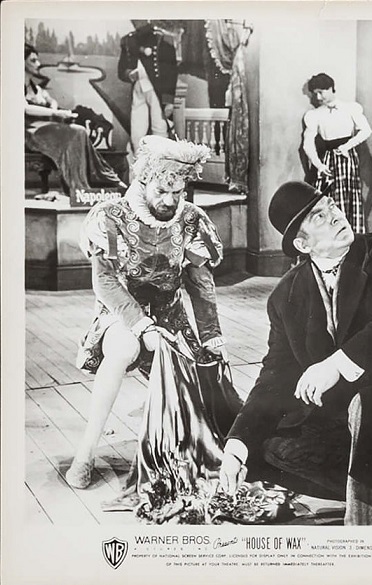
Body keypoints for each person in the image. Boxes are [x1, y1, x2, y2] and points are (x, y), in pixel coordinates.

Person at [218, 181, 372, 525]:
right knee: (263, 448)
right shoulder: (285, 295)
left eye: (332, 206)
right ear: (302, 244)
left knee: (368, 408)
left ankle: (370, 522)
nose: (336, 216)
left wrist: (337, 363)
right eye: (319, 217)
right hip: (346, 421)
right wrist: (237, 445)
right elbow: (274, 375)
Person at [66, 136, 226, 489]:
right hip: (121, 313)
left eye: (177, 192)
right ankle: (85, 452)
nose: (169, 200)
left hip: (171, 316)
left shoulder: (192, 220)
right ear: (143, 182)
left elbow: (200, 283)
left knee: (203, 390)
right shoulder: (111, 217)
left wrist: (212, 335)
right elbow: (105, 282)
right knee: (125, 348)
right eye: (161, 191)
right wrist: (142, 326)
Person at [24, 43, 126, 200]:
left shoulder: (37, 89)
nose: (38, 64)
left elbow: (51, 101)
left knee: (80, 131)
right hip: (31, 133)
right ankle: (85, 184)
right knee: (76, 132)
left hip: (47, 129)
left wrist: (54, 106)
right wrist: (55, 112)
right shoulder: (15, 87)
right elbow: (25, 109)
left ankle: (91, 182)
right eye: (33, 60)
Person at [302, 73, 372, 233]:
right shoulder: (314, 115)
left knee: (350, 196)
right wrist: (319, 165)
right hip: (328, 159)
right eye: (315, 94)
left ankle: (352, 237)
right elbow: (308, 143)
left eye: (321, 92)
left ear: (331, 88)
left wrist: (348, 146)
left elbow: (366, 130)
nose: (318, 97)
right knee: (329, 200)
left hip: (347, 158)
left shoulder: (351, 108)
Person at [118, 22, 178, 153]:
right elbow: (121, 70)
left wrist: (168, 100)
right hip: (138, 88)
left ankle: (159, 164)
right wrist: (129, 74)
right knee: (137, 134)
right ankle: (140, 164)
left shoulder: (162, 39)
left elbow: (171, 72)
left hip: (157, 90)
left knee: (160, 129)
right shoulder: (128, 40)